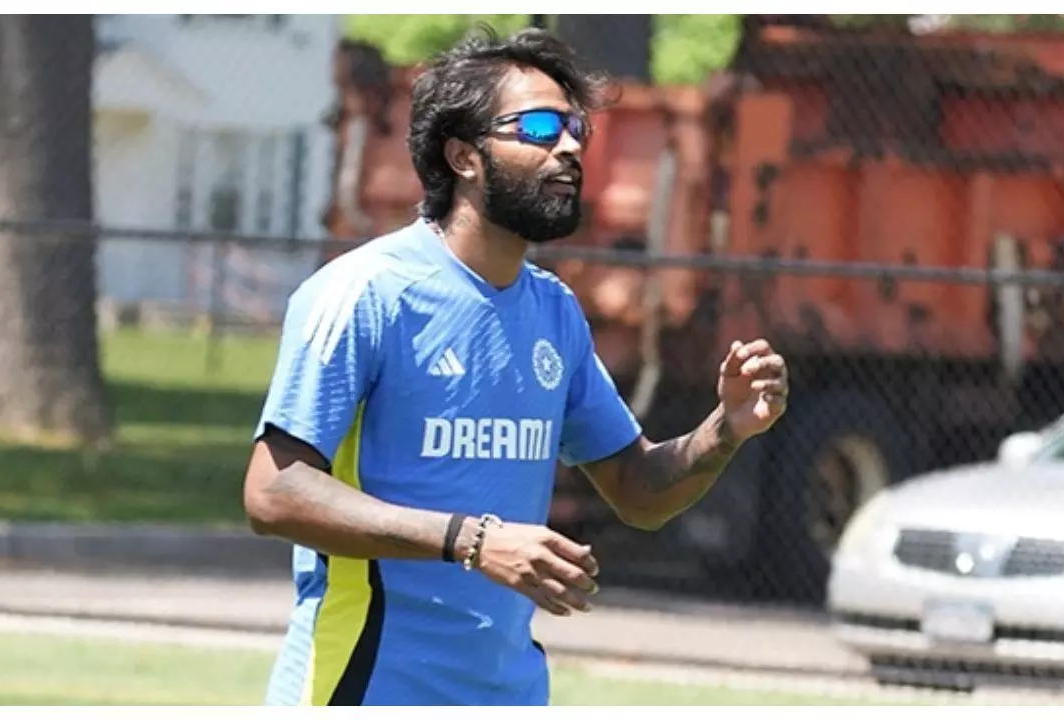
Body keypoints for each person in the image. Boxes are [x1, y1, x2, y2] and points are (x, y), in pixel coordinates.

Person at [242, 25, 789, 707]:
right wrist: (471, 541)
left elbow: (639, 491)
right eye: (537, 127)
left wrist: (726, 429)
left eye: (575, 128)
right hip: (367, 687)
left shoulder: (553, 311)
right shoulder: (365, 293)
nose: (569, 147)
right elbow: (274, 492)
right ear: (463, 156)